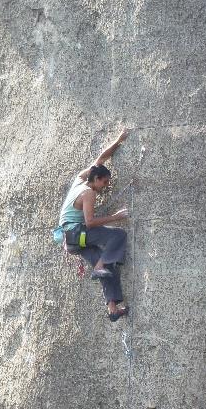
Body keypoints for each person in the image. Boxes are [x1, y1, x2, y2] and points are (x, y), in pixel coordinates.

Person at [58, 130, 131, 322]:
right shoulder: (88, 193)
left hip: (71, 241)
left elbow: (101, 158)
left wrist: (118, 141)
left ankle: (113, 308)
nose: (106, 186)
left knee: (108, 266)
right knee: (119, 235)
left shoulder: (81, 179)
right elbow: (89, 222)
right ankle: (99, 265)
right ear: (97, 179)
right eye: (105, 182)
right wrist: (115, 217)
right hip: (77, 232)